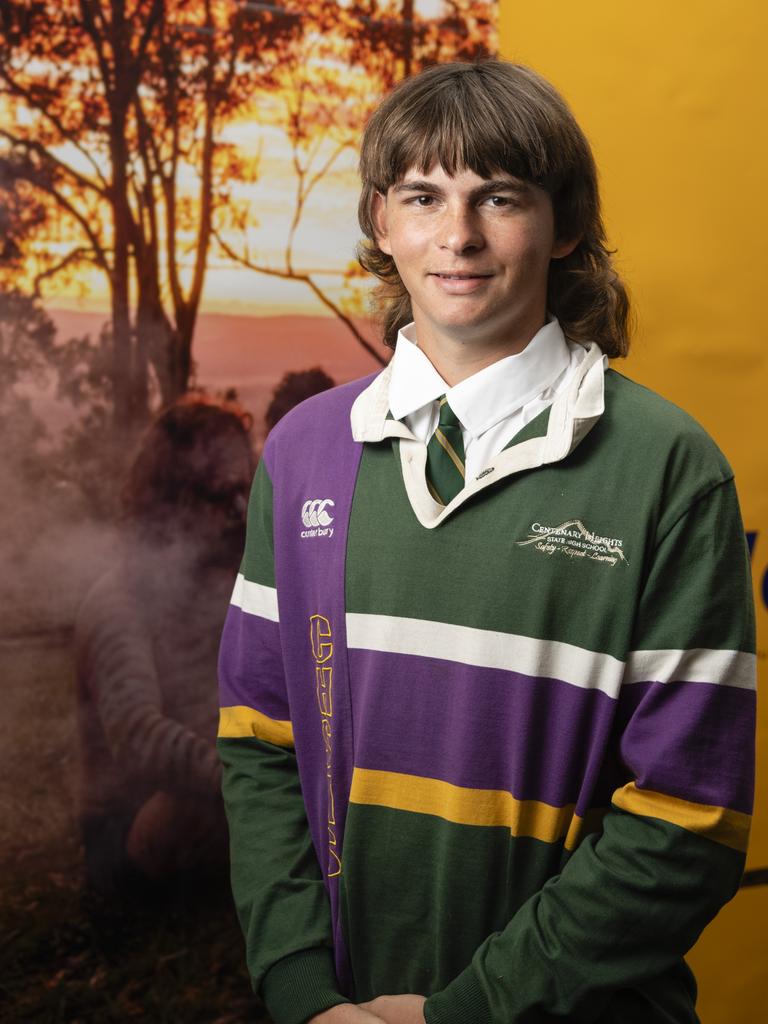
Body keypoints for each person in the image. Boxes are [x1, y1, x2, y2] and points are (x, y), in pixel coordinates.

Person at [217, 60, 756, 1024]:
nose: (457, 237)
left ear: (568, 222)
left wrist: (462, 1012)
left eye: (497, 197)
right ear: (382, 222)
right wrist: (300, 986)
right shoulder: (304, 451)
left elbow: (689, 815)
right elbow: (259, 743)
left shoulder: (669, 467)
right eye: (424, 197)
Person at [77, 395, 254, 898]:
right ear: (170, 500)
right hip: (130, 830)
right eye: (218, 494)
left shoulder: (224, 583)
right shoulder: (117, 602)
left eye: (245, 488)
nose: (240, 511)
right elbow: (138, 737)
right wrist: (245, 783)